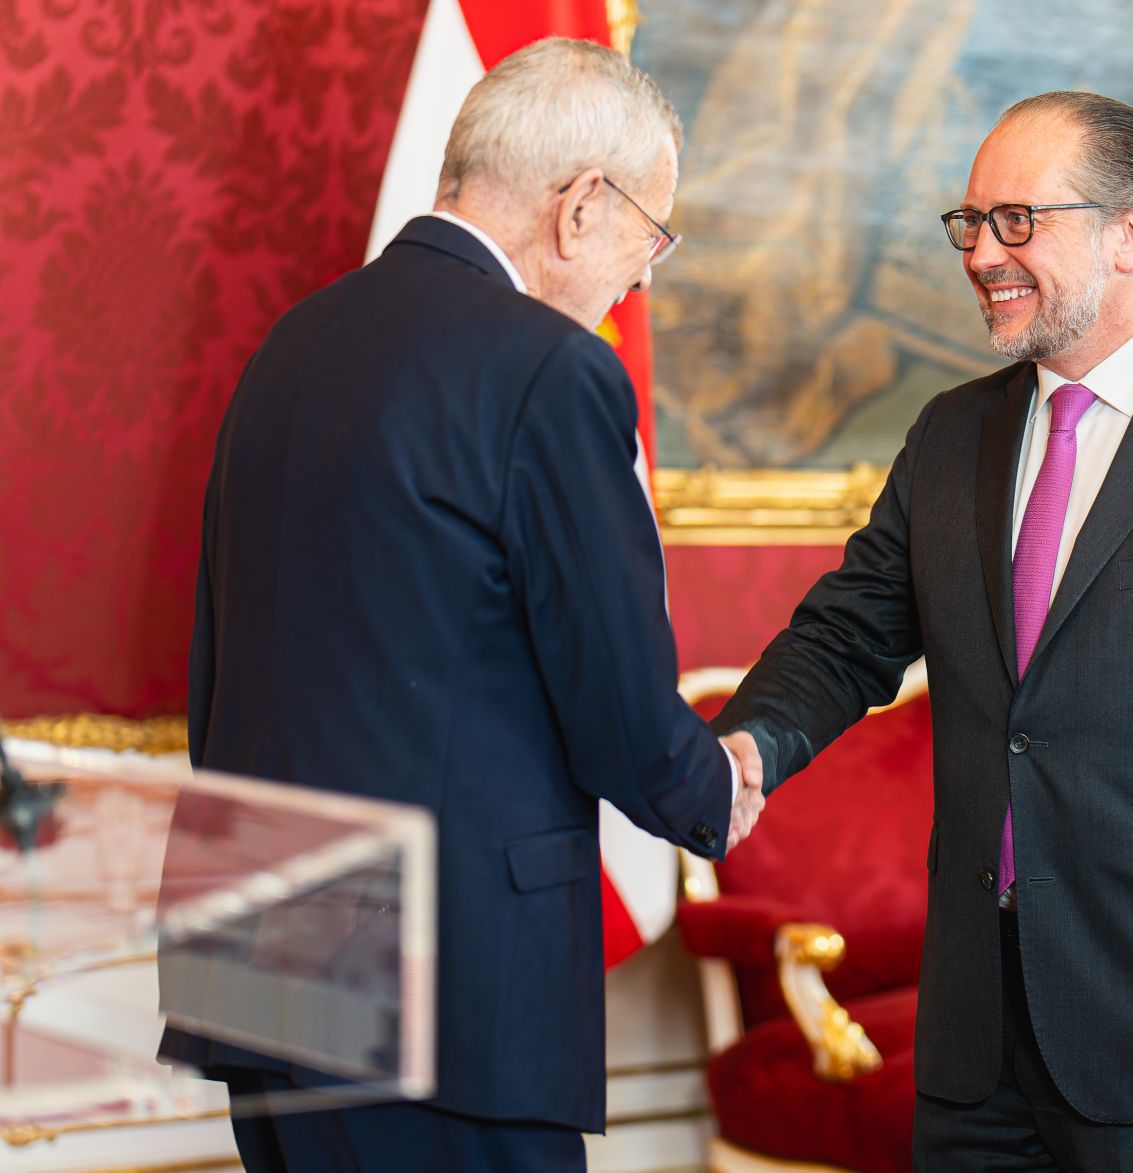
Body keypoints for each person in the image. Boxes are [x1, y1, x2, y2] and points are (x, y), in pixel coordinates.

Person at [715, 90, 1133, 1170]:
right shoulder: (952, 433)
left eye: (1016, 222)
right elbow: (848, 634)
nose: (981, 252)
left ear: (1130, 235)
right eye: (969, 223)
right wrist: (747, 747)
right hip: (974, 1045)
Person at [158, 38, 762, 1173]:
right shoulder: (554, 371)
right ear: (584, 206)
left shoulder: (293, 343)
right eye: (650, 234)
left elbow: (221, 665)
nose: (642, 276)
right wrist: (709, 791)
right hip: (448, 988)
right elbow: (616, 698)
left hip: (262, 959)